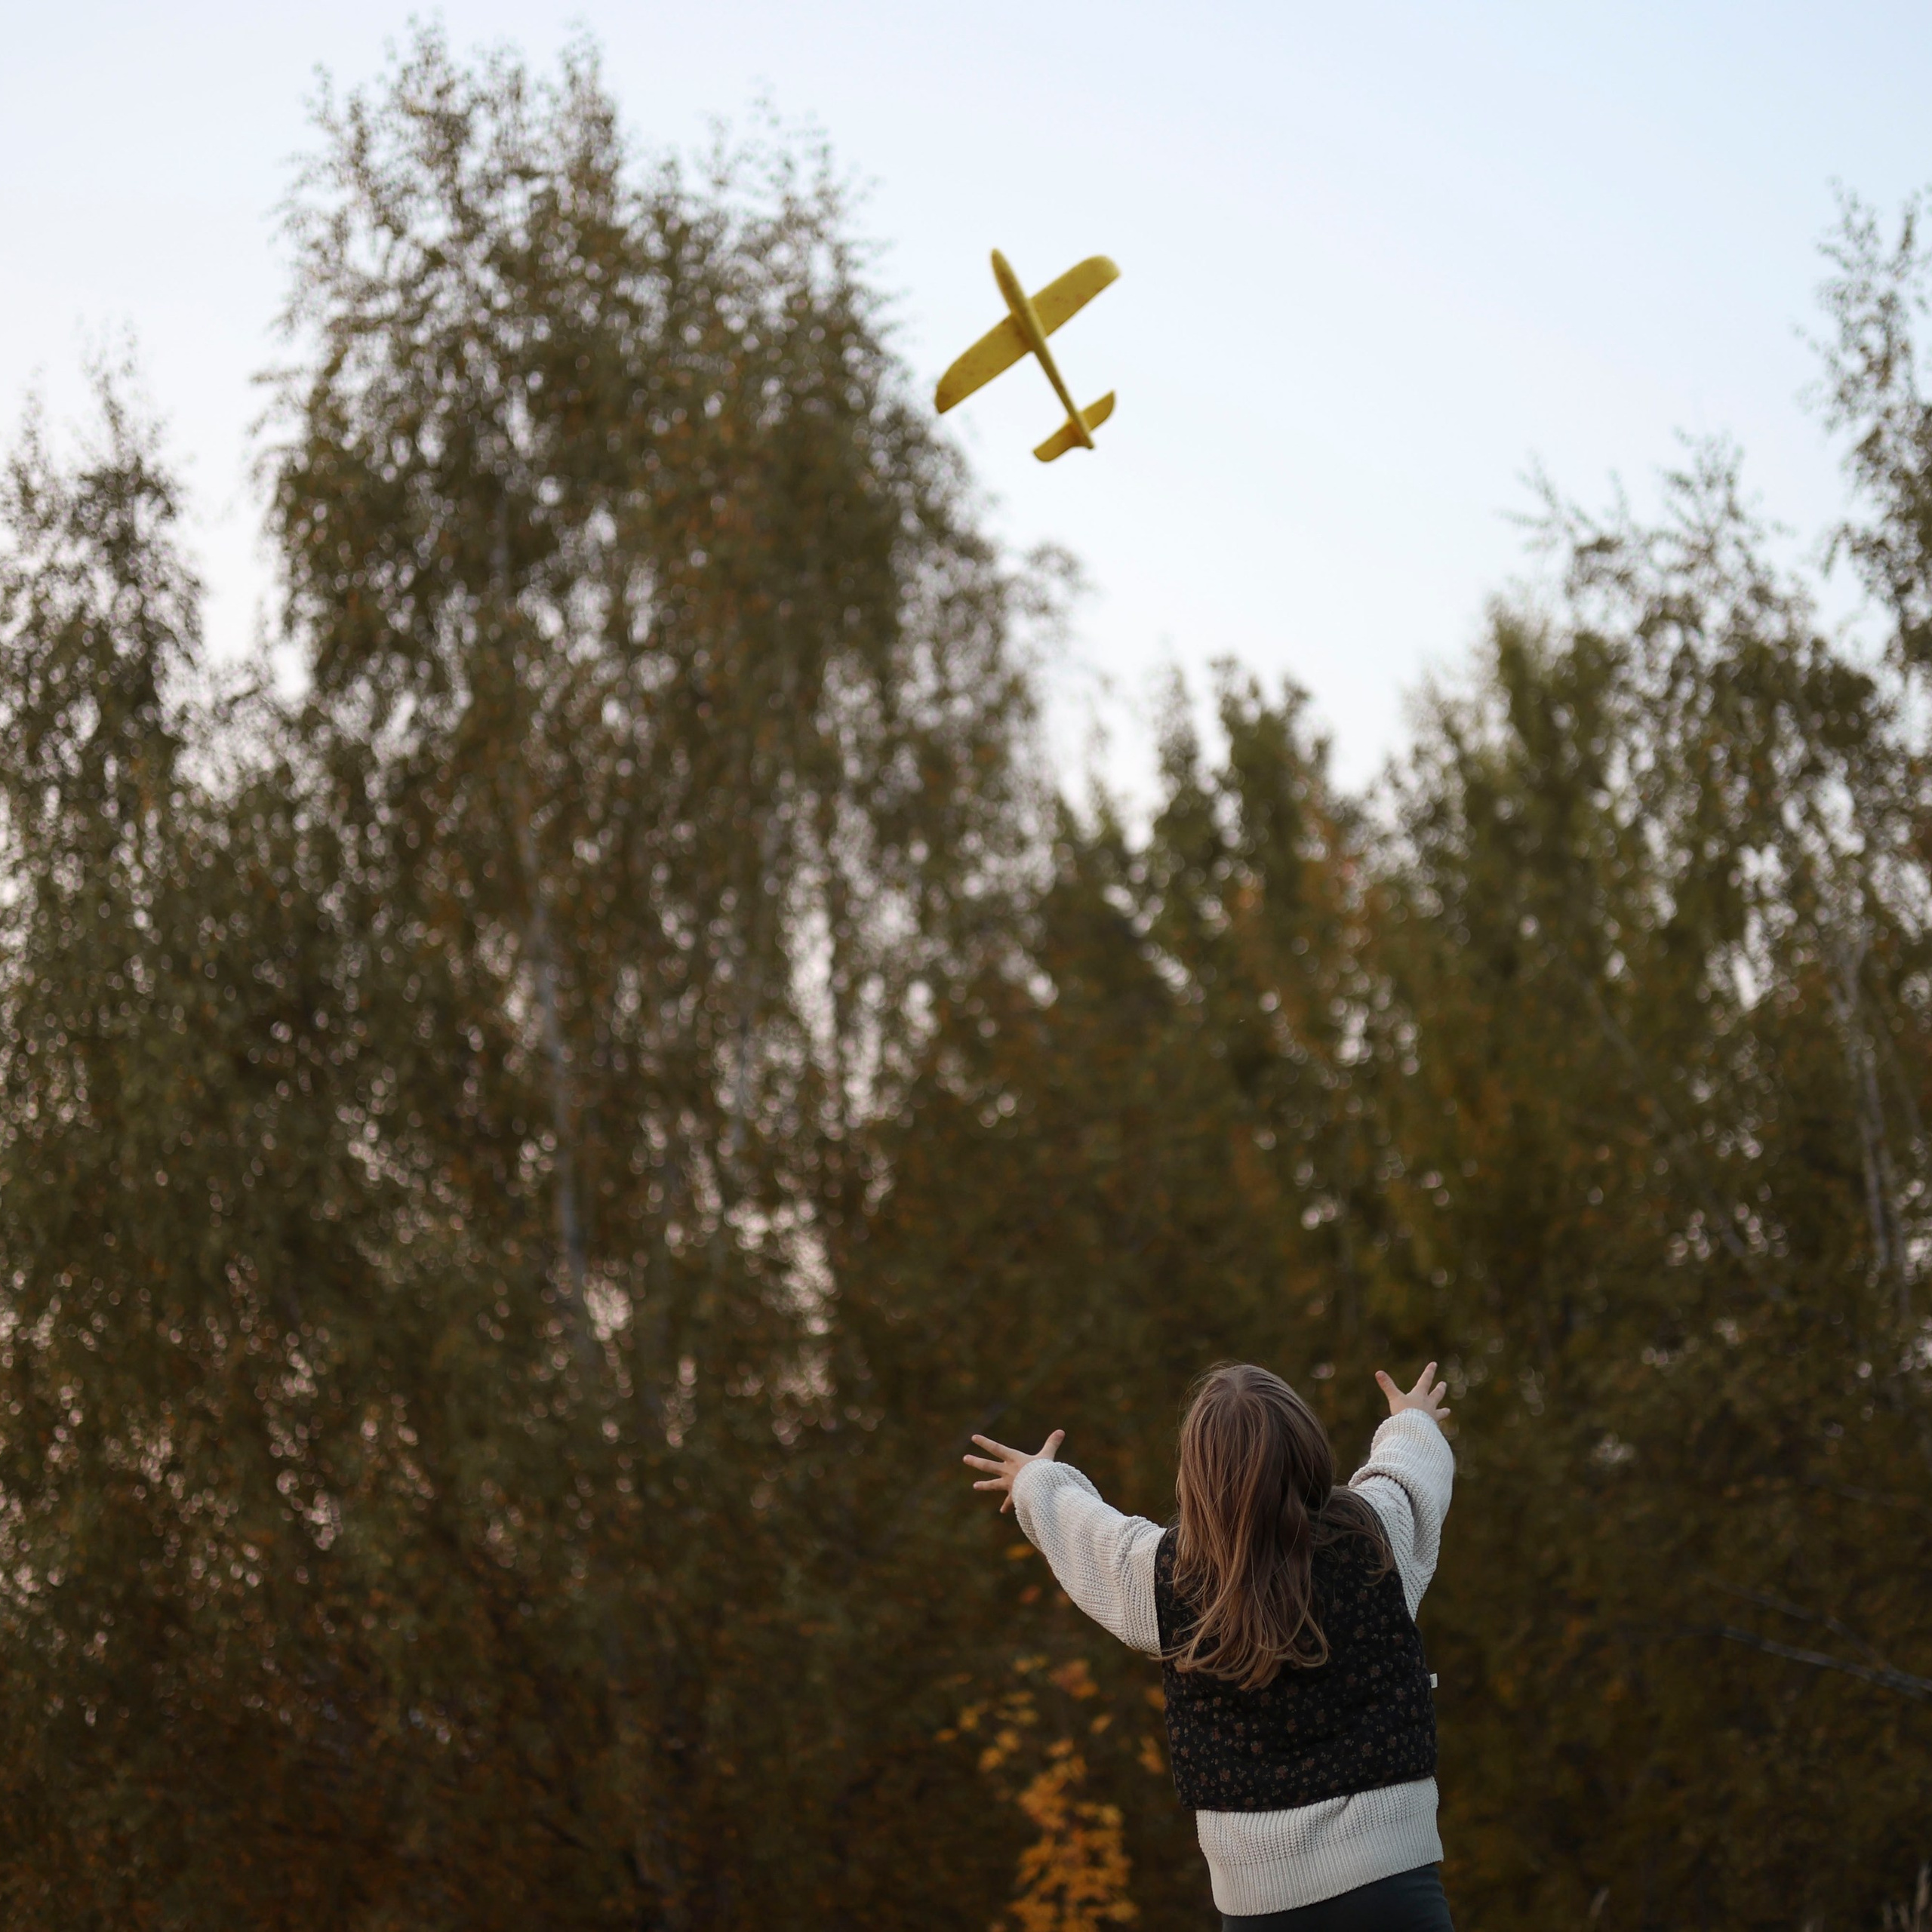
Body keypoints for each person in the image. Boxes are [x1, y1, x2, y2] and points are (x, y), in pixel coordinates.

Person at [963, 1360, 1456, 1931]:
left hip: (1258, 1907)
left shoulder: (1164, 1578)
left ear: (1195, 1474)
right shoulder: (1376, 1534)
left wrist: (1034, 1481)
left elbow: (1087, 1532)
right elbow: (1409, 1470)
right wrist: (1411, 1419)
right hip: (1394, 1884)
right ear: (1307, 1448)